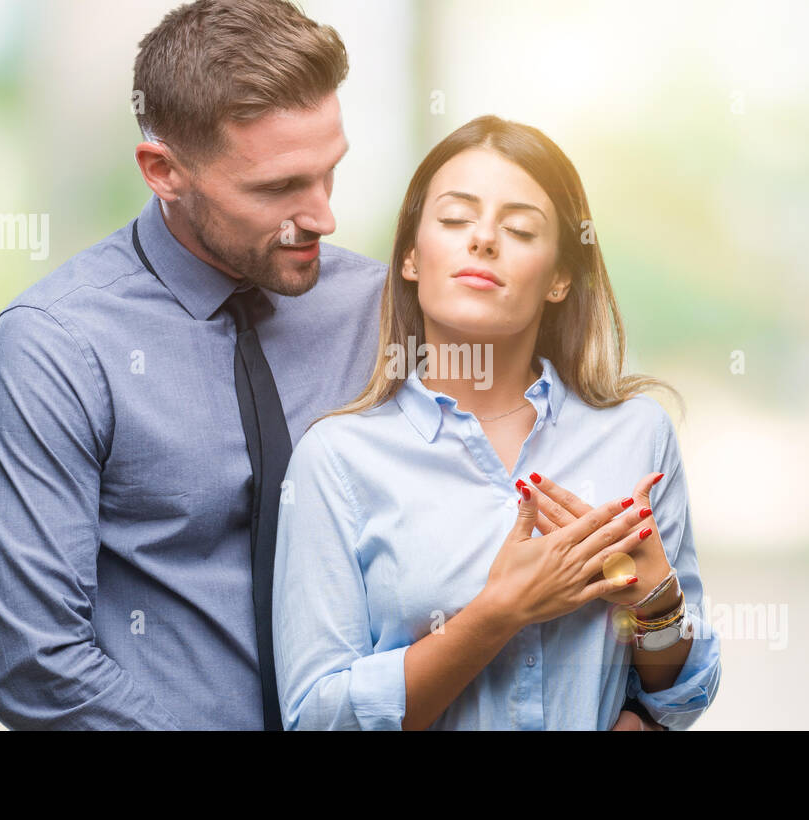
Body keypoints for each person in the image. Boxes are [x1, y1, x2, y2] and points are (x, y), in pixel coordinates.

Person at [0, 0, 385, 729]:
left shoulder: (381, 312)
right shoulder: (55, 349)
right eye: (279, 188)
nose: (322, 216)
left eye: (329, 173)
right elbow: (34, 665)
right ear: (164, 171)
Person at [273, 115, 723, 730]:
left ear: (560, 277)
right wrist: (499, 611)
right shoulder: (336, 459)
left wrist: (657, 604)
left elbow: (679, 700)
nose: (483, 240)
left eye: (519, 229)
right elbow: (316, 718)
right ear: (410, 257)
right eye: (455, 220)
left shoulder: (637, 436)